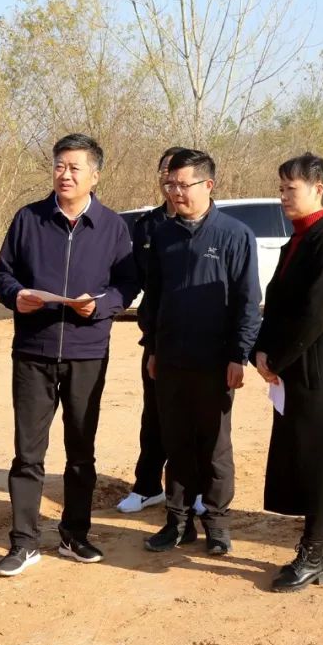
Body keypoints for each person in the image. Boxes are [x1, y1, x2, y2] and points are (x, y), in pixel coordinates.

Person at [0, 133, 139, 577]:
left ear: (95, 175)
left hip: (87, 352)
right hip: (33, 351)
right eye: (59, 165)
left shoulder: (113, 227)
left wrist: (102, 305)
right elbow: (3, 274)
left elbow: (127, 284)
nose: (65, 174)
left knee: (81, 452)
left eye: (75, 167)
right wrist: (17, 296)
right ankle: (23, 543)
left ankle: (75, 535)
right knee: (27, 454)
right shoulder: (28, 218)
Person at [139, 148, 261, 556]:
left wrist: (239, 354)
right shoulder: (163, 235)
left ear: (208, 185)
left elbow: (247, 300)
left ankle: (217, 523)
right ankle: (177, 522)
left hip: (216, 362)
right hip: (170, 359)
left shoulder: (234, 235)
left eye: (183, 184)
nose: (175, 192)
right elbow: (153, 299)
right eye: (169, 185)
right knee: (175, 443)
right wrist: (153, 348)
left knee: (214, 446)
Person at [251, 154, 323, 592]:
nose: (282, 196)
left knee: (319, 459)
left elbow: (316, 313)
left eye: (289, 188)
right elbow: (277, 304)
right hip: (297, 367)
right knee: (308, 454)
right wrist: (261, 350)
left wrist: (276, 357)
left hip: (319, 366)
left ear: (318, 188)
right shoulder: (299, 238)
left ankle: (313, 552)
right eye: (280, 188)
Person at [117, 146, 205, 524]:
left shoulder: (210, 225)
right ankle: (147, 485)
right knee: (154, 415)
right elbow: (137, 280)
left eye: (177, 174)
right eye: (165, 173)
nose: (171, 182)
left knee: (197, 418)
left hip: (199, 339)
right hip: (158, 337)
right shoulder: (147, 225)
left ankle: (196, 489)